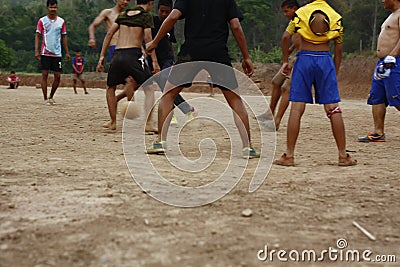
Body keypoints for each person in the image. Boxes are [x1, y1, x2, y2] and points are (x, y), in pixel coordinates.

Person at [145, 0, 260, 159]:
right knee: (235, 100)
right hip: (217, 52)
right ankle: (248, 147)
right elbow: (235, 26)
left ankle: (160, 142)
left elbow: (173, 17)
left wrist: (155, 42)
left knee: (168, 95)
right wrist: (246, 57)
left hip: (191, 51)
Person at [274, 0, 357, 166]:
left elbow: (285, 37)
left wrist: (284, 61)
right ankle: (342, 155)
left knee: (297, 108)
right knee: (334, 108)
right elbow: (338, 50)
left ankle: (289, 156)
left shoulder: (300, 13)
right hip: (325, 60)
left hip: (304, 59)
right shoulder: (336, 16)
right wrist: (336, 71)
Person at [96, 0, 159, 131]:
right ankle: (148, 124)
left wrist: (101, 56)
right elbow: (148, 39)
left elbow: (109, 34)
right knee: (149, 89)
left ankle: (113, 122)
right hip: (133, 54)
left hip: (117, 54)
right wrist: (154, 61)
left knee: (110, 87)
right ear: (150, 3)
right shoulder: (145, 16)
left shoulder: (123, 14)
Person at [149, 0, 198, 125]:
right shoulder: (152, 22)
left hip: (167, 60)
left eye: (167, 12)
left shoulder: (171, 23)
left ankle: (173, 114)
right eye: (162, 11)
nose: (164, 14)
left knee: (167, 85)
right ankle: (188, 109)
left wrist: (172, 60)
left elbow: (170, 42)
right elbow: (149, 42)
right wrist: (154, 62)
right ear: (157, 10)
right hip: (153, 59)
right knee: (164, 88)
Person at [358, 0, 400, 143]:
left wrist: (392, 56)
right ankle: (378, 132)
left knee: (397, 97)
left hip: (394, 62)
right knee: (377, 97)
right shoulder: (391, 15)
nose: (382, 1)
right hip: (383, 63)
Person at [256, 0, 300, 130]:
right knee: (276, 82)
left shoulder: (301, 17)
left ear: (294, 9)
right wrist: (292, 48)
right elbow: (301, 37)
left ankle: (277, 121)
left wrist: (286, 59)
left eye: (287, 11)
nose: (285, 14)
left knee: (287, 88)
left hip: (304, 58)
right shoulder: (297, 20)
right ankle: (269, 114)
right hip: (296, 56)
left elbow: (286, 37)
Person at [35, 0, 70, 105]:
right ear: (47, 8)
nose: (53, 9)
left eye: (55, 7)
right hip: (45, 52)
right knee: (44, 75)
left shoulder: (61, 22)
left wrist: (67, 52)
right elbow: (38, 36)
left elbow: (64, 37)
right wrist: (36, 50)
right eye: (51, 7)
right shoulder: (42, 21)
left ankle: (51, 96)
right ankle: (45, 98)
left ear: (57, 8)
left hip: (57, 53)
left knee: (57, 76)